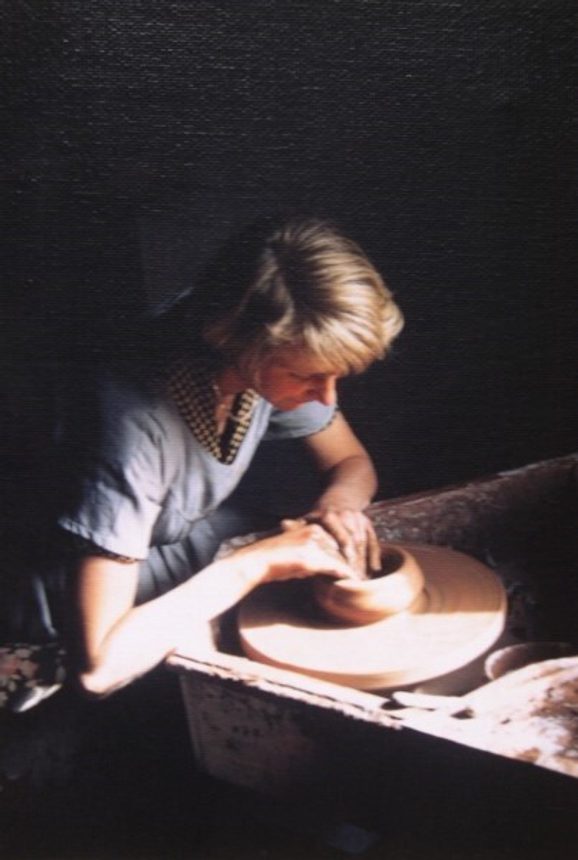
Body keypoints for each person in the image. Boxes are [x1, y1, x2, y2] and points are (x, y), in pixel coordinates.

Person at [50, 216, 404, 697]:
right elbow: (99, 669)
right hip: (63, 602)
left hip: (164, 545)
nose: (326, 396)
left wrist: (340, 503)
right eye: (309, 376)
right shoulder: (131, 427)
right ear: (246, 344)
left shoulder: (245, 367)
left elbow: (351, 464)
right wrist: (253, 565)